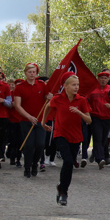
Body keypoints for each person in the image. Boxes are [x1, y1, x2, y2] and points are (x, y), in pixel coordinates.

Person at [42, 74, 91, 206]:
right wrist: (43, 122)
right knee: (68, 161)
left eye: (78, 85)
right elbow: (48, 107)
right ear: (66, 86)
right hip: (60, 134)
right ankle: (64, 193)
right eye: (74, 85)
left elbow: (89, 120)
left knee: (69, 164)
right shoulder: (58, 99)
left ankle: (61, 187)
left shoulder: (81, 100)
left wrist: (79, 112)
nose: (76, 87)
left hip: (75, 136)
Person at [12, 63, 48, 178]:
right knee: (29, 145)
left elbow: (48, 98)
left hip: (40, 120)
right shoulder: (20, 87)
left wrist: (49, 97)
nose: (32, 74)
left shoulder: (42, 85)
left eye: (34, 72)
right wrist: (28, 117)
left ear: (36, 73)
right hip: (26, 120)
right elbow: (18, 105)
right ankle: (27, 167)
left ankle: (35, 164)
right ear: (25, 73)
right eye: (29, 72)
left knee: (40, 144)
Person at [86, 70, 110, 169]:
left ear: (108, 79)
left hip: (107, 118)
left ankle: (100, 156)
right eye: (101, 78)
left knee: (103, 138)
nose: (103, 80)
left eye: (105, 78)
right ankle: (100, 159)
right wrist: (88, 110)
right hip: (95, 117)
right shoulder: (92, 90)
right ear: (98, 79)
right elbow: (86, 101)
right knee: (97, 137)